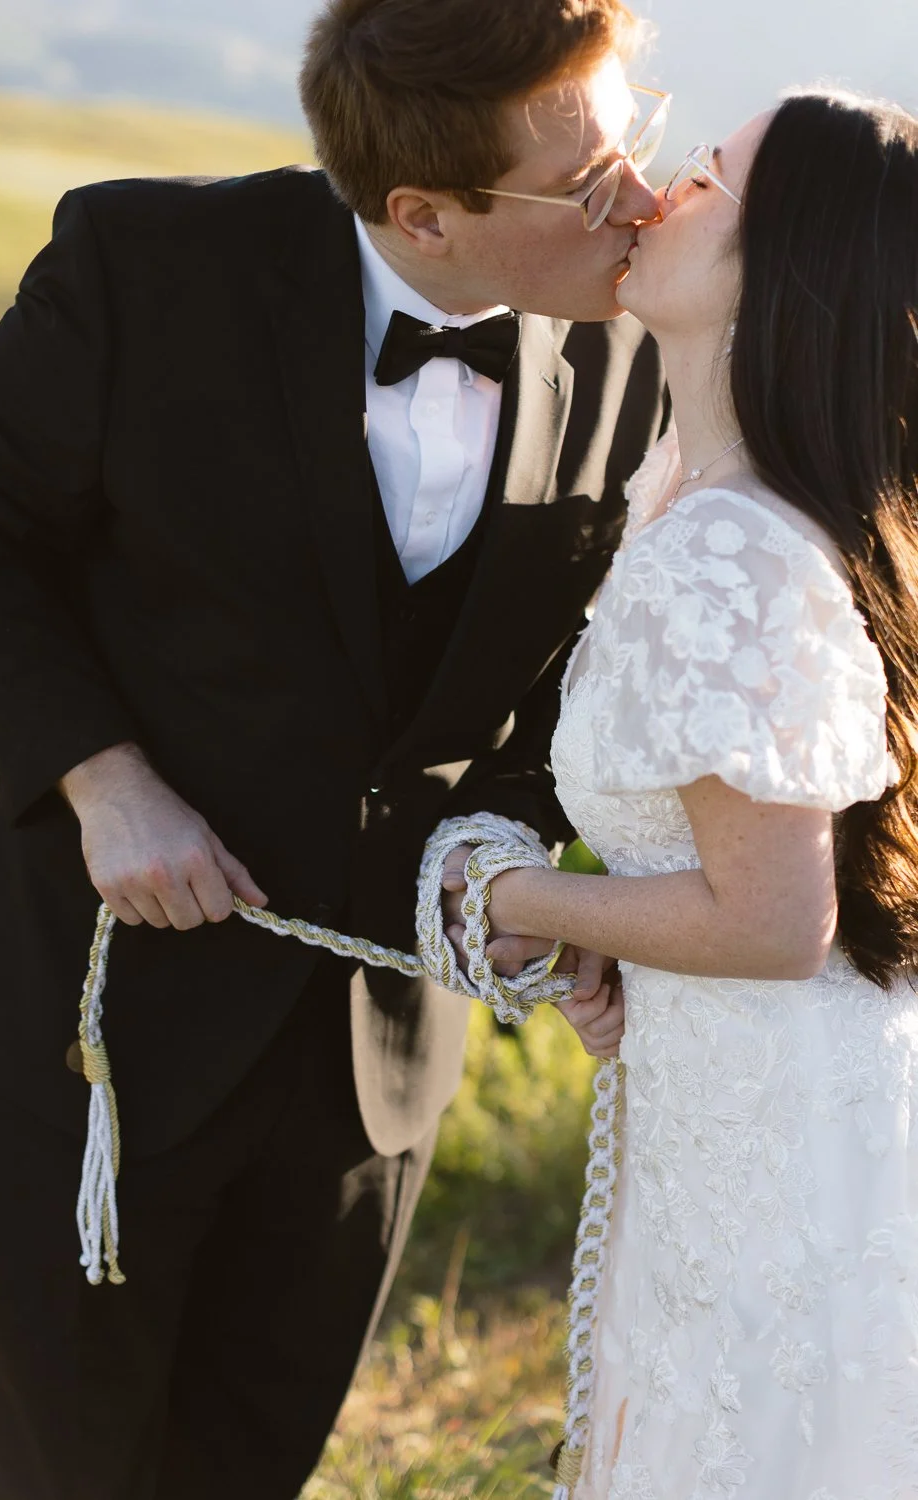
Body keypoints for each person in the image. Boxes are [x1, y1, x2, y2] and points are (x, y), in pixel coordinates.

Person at [0, 0, 667, 1494]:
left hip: (373, 1066)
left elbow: (559, 688)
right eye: (588, 182)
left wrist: (513, 872)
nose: (636, 199)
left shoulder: (640, 351)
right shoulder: (144, 270)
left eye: (633, 141)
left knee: (245, 1472)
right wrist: (100, 779)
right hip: (109, 1026)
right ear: (424, 214)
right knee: (68, 1473)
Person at [479, 89, 918, 1498]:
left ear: (785, 259)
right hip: (755, 1111)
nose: (663, 184)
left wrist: (507, 895)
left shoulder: (729, 549)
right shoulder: (729, 507)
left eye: (713, 175)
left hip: (779, 1159)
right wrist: (613, 928)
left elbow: (773, 919)